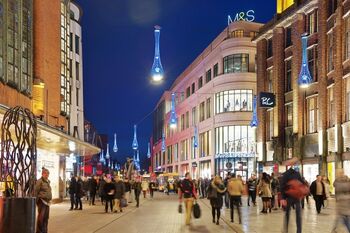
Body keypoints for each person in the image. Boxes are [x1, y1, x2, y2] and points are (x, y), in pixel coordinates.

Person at [280, 157, 305, 233]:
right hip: (296, 197)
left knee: (288, 214)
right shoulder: (297, 174)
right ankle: (298, 231)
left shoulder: (286, 174)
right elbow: (302, 184)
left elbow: (282, 186)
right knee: (297, 215)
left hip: (289, 197)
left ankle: (286, 229)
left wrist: (283, 198)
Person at [35, 168, 52, 233]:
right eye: (45, 173)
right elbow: (36, 191)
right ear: (42, 174)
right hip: (42, 202)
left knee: (46, 218)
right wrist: (36, 202)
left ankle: (45, 231)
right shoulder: (39, 181)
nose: (47, 175)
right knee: (41, 218)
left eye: (48, 174)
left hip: (47, 202)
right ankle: (39, 231)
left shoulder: (48, 181)